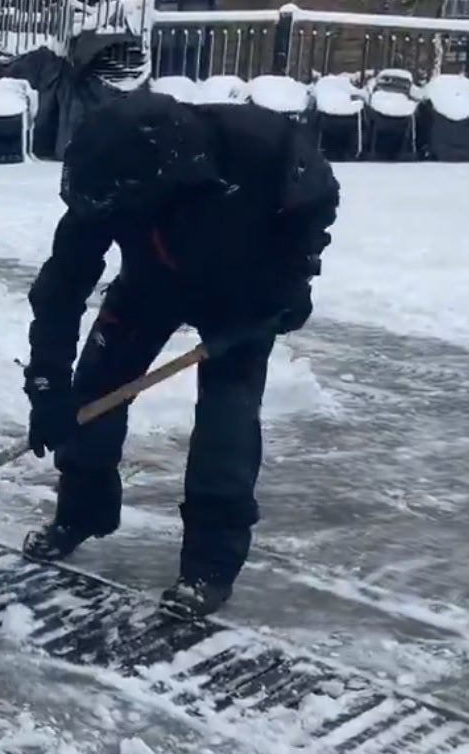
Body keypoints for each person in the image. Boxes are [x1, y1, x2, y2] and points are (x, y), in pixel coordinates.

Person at [19, 88, 339, 619]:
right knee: (93, 388)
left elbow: (315, 203)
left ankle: (209, 565)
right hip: (152, 285)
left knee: (226, 422)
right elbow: (62, 285)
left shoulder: (258, 146)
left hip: (243, 295)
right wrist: (46, 383)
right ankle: (84, 511)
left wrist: (293, 279)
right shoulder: (103, 183)